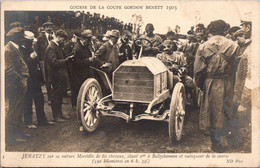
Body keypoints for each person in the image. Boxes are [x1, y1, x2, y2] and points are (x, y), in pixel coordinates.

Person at [194, 20, 240, 152]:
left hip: (210, 82)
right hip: (227, 82)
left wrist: (201, 84)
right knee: (226, 110)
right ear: (225, 30)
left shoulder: (203, 46)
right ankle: (228, 139)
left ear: (210, 30)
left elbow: (198, 70)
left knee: (211, 112)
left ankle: (216, 143)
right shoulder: (233, 45)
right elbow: (235, 68)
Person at [21, 31, 54, 128]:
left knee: (40, 100)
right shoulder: (21, 51)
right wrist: (31, 58)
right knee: (28, 102)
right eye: (30, 42)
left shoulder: (31, 49)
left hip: (35, 80)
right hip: (27, 81)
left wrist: (41, 80)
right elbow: (22, 66)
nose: (31, 43)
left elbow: (38, 65)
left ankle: (42, 120)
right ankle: (28, 122)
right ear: (25, 41)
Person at [5, 27, 29, 143]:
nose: (24, 40)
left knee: (18, 110)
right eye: (22, 38)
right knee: (13, 111)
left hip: (17, 85)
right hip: (14, 86)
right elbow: (8, 70)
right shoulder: (8, 50)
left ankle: (18, 133)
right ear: (18, 38)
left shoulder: (14, 48)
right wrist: (21, 82)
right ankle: (10, 138)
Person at [45, 29, 73, 123]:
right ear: (57, 37)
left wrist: (68, 57)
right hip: (55, 76)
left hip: (60, 76)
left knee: (59, 95)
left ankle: (59, 114)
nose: (64, 42)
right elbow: (54, 62)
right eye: (63, 39)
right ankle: (55, 116)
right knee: (56, 96)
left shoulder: (57, 46)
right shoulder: (51, 47)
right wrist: (66, 60)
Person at [71, 29, 95, 109]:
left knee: (83, 90)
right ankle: (75, 106)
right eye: (88, 40)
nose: (89, 42)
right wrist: (88, 60)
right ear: (83, 39)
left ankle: (81, 104)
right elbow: (76, 63)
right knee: (77, 89)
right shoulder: (77, 48)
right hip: (78, 74)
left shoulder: (86, 47)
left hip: (85, 72)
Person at [35, 21, 55, 105]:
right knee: (47, 80)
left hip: (53, 61)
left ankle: (55, 97)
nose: (49, 28)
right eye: (47, 27)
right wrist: (40, 62)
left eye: (50, 26)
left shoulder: (54, 37)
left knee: (54, 78)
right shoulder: (40, 38)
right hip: (44, 62)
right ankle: (50, 98)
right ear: (44, 28)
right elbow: (37, 51)